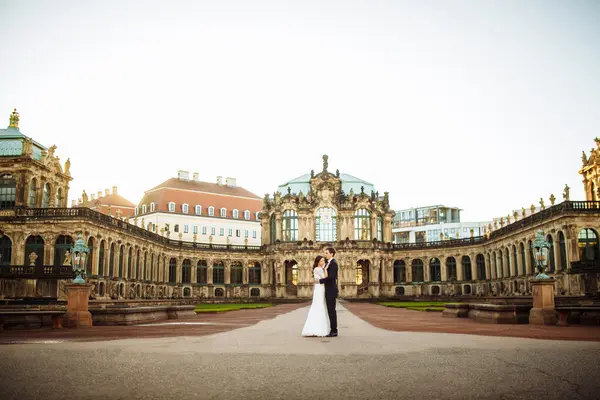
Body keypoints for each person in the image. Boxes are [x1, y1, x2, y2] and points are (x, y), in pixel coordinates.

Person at [301, 255, 330, 337]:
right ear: (317, 262)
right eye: (321, 261)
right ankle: (318, 329)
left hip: (319, 287)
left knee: (319, 306)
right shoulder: (318, 269)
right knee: (319, 306)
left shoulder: (317, 269)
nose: (323, 262)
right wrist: (326, 269)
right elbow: (326, 278)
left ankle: (316, 327)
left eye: (324, 261)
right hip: (320, 289)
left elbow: (319, 280)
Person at [318, 247, 339, 337]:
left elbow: (332, 277)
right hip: (327, 290)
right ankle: (331, 329)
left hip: (331, 290)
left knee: (331, 311)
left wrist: (320, 281)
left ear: (332, 254)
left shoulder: (334, 263)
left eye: (326, 253)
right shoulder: (328, 263)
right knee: (329, 311)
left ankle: (334, 331)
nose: (325, 254)